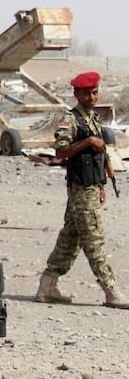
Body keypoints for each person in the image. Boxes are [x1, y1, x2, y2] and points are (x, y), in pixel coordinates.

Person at [35, 71, 129, 308]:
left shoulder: (93, 119)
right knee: (94, 240)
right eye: (86, 93)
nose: (92, 97)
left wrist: (101, 185)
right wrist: (87, 142)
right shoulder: (71, 120)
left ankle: (47, 286)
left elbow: (100, 155)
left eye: (95, 92)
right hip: (80, 190)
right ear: (77, 94)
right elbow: (60, 152)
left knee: (70, 238)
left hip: (90, 187)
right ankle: (111, 291)